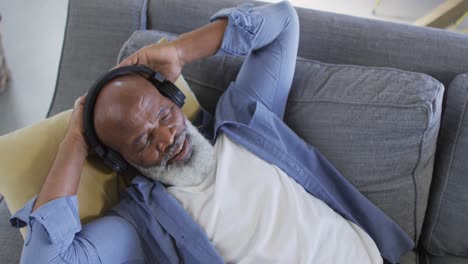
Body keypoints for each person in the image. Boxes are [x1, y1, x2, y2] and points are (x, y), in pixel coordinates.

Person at [11, 1, 413, 263]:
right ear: (121, 161)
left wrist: (181, 50)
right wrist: (76, 140)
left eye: (164, 116)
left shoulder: (245, 120)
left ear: (174, 98)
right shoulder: (141, 223)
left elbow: (282, 22)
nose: (166, 138)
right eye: (143, 141)